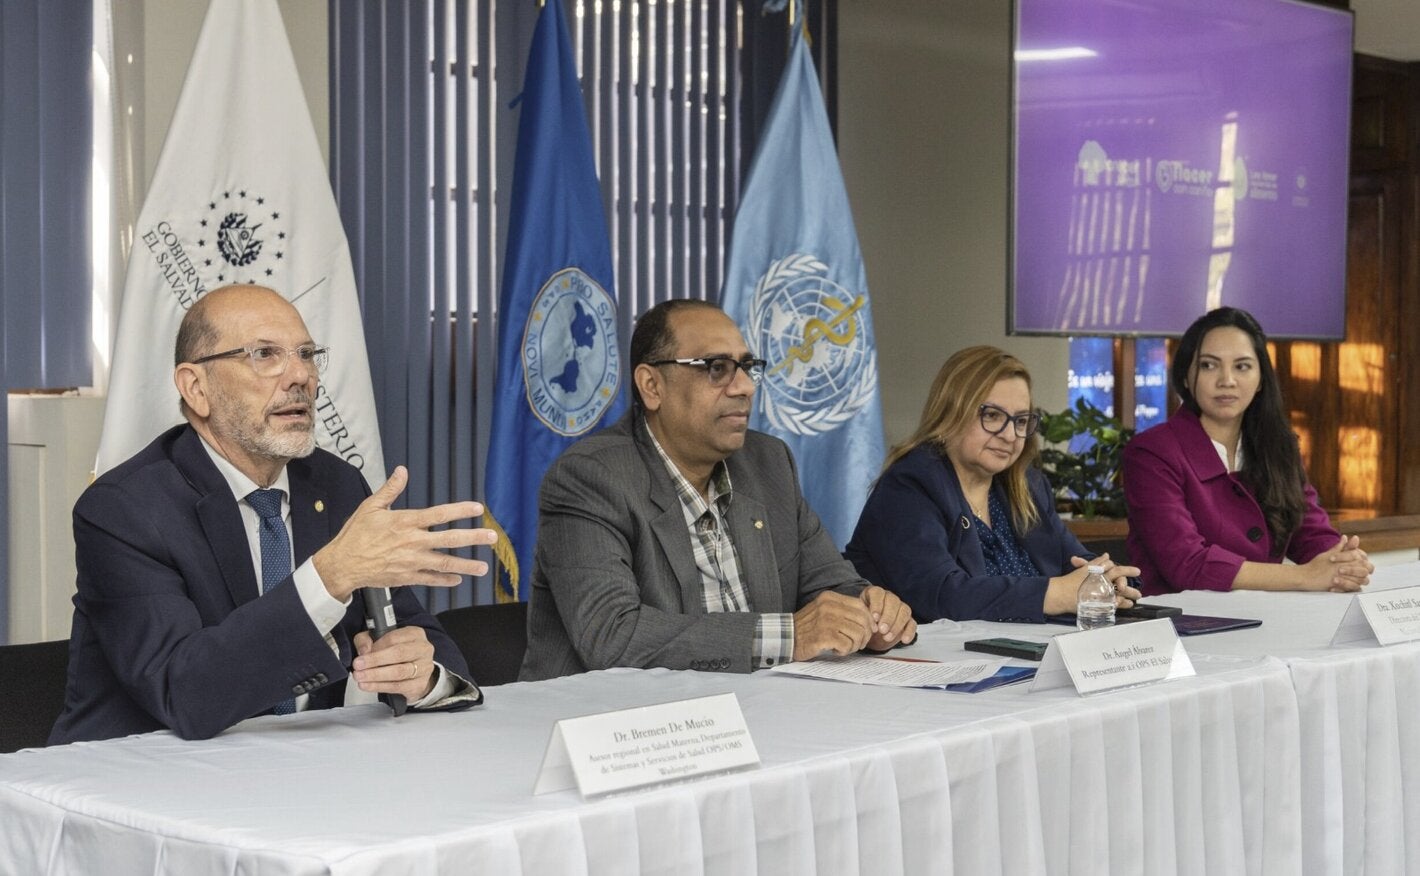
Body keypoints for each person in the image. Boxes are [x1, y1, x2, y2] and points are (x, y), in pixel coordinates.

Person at [51, 285, 493, 744]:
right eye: (264, 354)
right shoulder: (124, 509)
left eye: (306, 354)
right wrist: (329, 576)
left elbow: (421, 640)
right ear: (196, 387)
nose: (299, 375)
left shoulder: (337, 485)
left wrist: (419, 674)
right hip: (135, 778)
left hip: (294, 771)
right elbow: (185, 693)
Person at [520, 299, 917, 681]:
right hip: (617, 730)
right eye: (716, 368)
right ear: (652, 385)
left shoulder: (769, 462)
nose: (744, 386)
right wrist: (790, 636)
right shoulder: (591, 477)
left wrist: (871, 610)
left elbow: (831, 584)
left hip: (757, 711)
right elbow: (612, 635)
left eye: (746, 367)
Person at [844, 346, 1140, 622]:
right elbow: (942, 596)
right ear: (951, 412)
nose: (1010, 435)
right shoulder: (910, 486)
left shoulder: (1027, 486)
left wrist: (1108, 580)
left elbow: (1076, 562)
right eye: (993, 416)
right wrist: (1058, 594)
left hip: (1029, 657)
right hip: (937, 666)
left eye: (1021, 421)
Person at [1122, 306, 1374, 594]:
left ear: (1260, 380)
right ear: (1186, 377)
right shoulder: (1151, 453)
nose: (1226, 380)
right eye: (1208, 365)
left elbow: (1311, 532)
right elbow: (1187, 565)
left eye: (1242, 366)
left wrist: (1342, 563)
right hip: (1182, 625)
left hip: (1268, 618)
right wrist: (1304, 577)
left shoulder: (1278, 446)